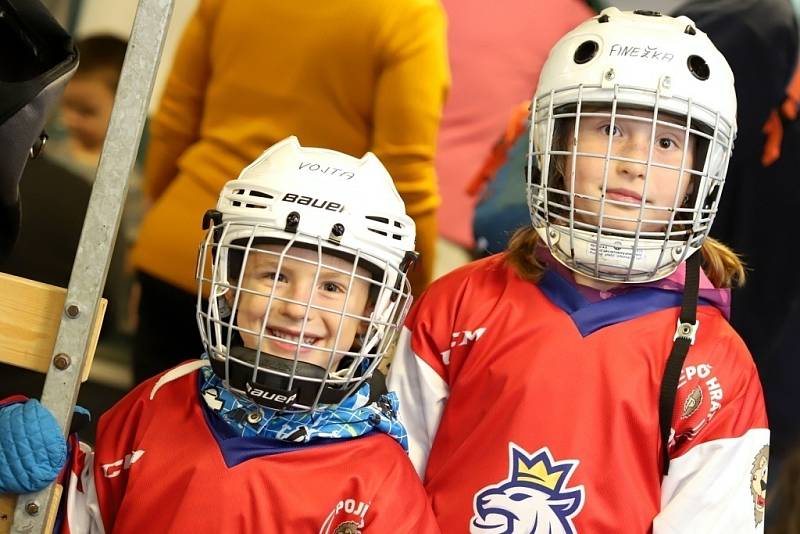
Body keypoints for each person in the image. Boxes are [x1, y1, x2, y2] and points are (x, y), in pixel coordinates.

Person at [387, 8, 769, 533]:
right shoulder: (456, 305)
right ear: (556, 145)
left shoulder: (716, 363)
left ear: (698, 176)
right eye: (609, 128)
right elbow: (390, 486)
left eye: (666, 142)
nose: (636, 162)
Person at [0, 137, 439, 532]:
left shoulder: (381, 482)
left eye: (330, 287)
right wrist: (41, 466)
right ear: (231, 281)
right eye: (274, 275)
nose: (296, 308)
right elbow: (85, 515)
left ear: (371, 313)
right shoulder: (162, 401)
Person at [129, 0, 449, 383]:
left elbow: (174, 121)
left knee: (156, 426)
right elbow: (406, 175)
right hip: (322, 278)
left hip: (189, 245)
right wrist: (410, 301)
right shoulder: (406, 14)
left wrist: (164, 217)